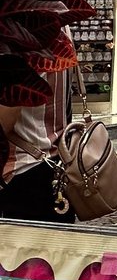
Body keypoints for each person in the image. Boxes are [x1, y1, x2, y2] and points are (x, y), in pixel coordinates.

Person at [0, 67, 74, 222]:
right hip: (56, 166)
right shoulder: (63, 43)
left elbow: (3, 123)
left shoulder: (15, 46)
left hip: (19, 172)